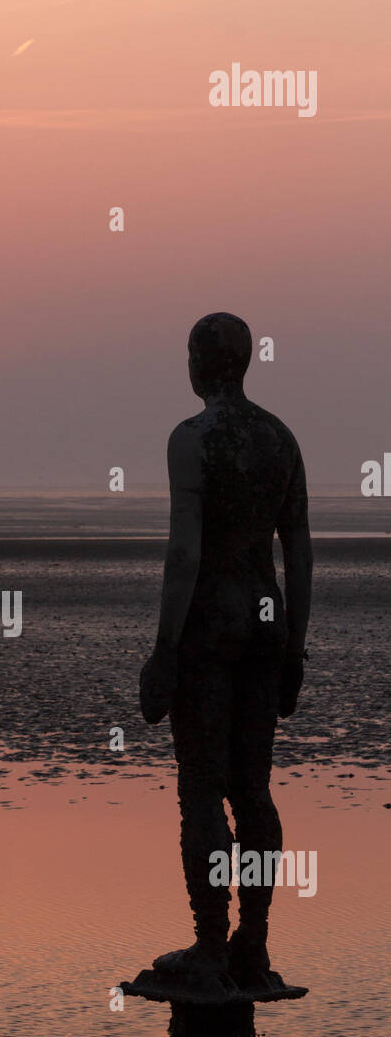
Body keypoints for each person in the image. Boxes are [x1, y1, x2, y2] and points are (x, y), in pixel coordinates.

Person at [139, 312, 312, 986]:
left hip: (211, 623)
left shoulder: (194, 440)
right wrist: (296, 643)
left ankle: (213, 945)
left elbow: (184, 553)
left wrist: (164, 648)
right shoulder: (280, 438)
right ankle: (255, 942)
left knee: (203, 791)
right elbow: (296, 549)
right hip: (266, 620)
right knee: (255, 791)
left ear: (204, 363)